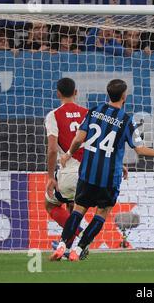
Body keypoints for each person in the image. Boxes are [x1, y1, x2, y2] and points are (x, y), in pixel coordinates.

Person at [51, 79, 154, 261]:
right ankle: (78, 250)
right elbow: (140, 150)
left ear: (108, 94)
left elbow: (79, 138)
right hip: (109, 177)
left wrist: (68, 153)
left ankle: (63, 244)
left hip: (87, 173)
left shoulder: (95, 111)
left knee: (78, 210)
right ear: (124, 96)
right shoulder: (126, 120)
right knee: (102, 212)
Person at [45, 78, 89, 256]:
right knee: (74, 208)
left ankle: (82, 235)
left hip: (69, 172)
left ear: (58, 94)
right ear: (76, 92)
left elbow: (52, 149)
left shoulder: (53, 115)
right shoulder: (88, 113)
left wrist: (50, 176)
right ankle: (70, 248)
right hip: (87, 172)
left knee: (49, 205)